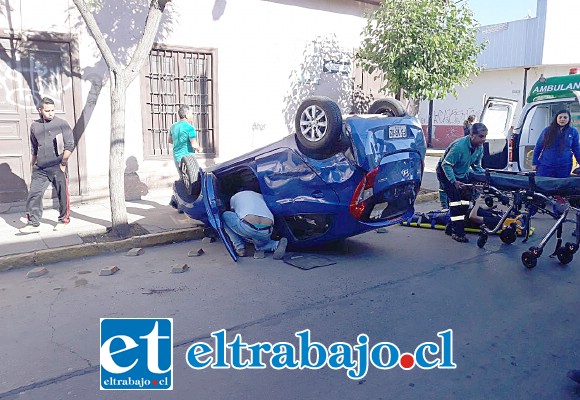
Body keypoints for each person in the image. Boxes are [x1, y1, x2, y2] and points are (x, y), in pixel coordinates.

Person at [20, 97, 75, 234]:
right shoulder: (35, 126)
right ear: (40, 110)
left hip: (58, 165)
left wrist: (63, 163)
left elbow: (70, 145)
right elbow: (34, 147)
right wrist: (33, 165)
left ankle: (63, 220)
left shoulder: (62, 124)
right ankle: (33, 223)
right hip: (40, 168)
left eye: (52, 110)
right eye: (47, 110)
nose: (51, 113)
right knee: (34, 194)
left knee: (62, 194)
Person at [436, 122, 488, 243]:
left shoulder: (479, 147)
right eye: (481, 136)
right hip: (446, 172)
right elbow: (446, 164)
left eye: (485, 136)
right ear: (472, 135)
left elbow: (476, 166)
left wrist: (484, 177)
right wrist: (453, 181)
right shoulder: (459, 147)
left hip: (461, 173)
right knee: (456, 203)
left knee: (465, 201)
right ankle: (457, 233)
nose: (484, 139)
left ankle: (451, 226)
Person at [222, 189, 287, 259]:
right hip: (266, 230)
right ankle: (275, 244)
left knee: (224, 216)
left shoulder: (234, 197)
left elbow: (234, 215)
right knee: (260, 243)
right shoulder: (261, 196)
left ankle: (239, 247)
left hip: (248, 227)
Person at [532, 109, 580, 178]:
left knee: (561, 187)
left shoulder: (573, 131)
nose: (562, 119)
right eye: (560, 117)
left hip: (564, 167)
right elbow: (538, 147)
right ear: (556, 118)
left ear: (569, 119)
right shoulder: (547, 130)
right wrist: (534, 163)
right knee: (542, 186)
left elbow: (576, 149)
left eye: (565, 117)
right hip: (545, 166)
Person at [168, 105, 202, 173]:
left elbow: (170, 141)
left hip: (177, 157)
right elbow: (194, 145)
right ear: (186, 115)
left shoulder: (173, 127)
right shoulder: (190, 128)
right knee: (193, 180)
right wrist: (199, 149)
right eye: (191, 114)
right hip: (188, 159)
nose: (192, 116)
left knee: (182, 178)